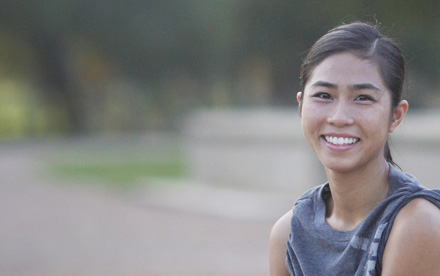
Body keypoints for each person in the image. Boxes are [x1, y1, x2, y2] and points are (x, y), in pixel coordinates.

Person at [269, 21, 440, 276]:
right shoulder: (290, 233)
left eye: (363, 98)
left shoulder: (418, 225)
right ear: (301, 105)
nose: (339, 117)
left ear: (396, 116)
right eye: (324, 95)